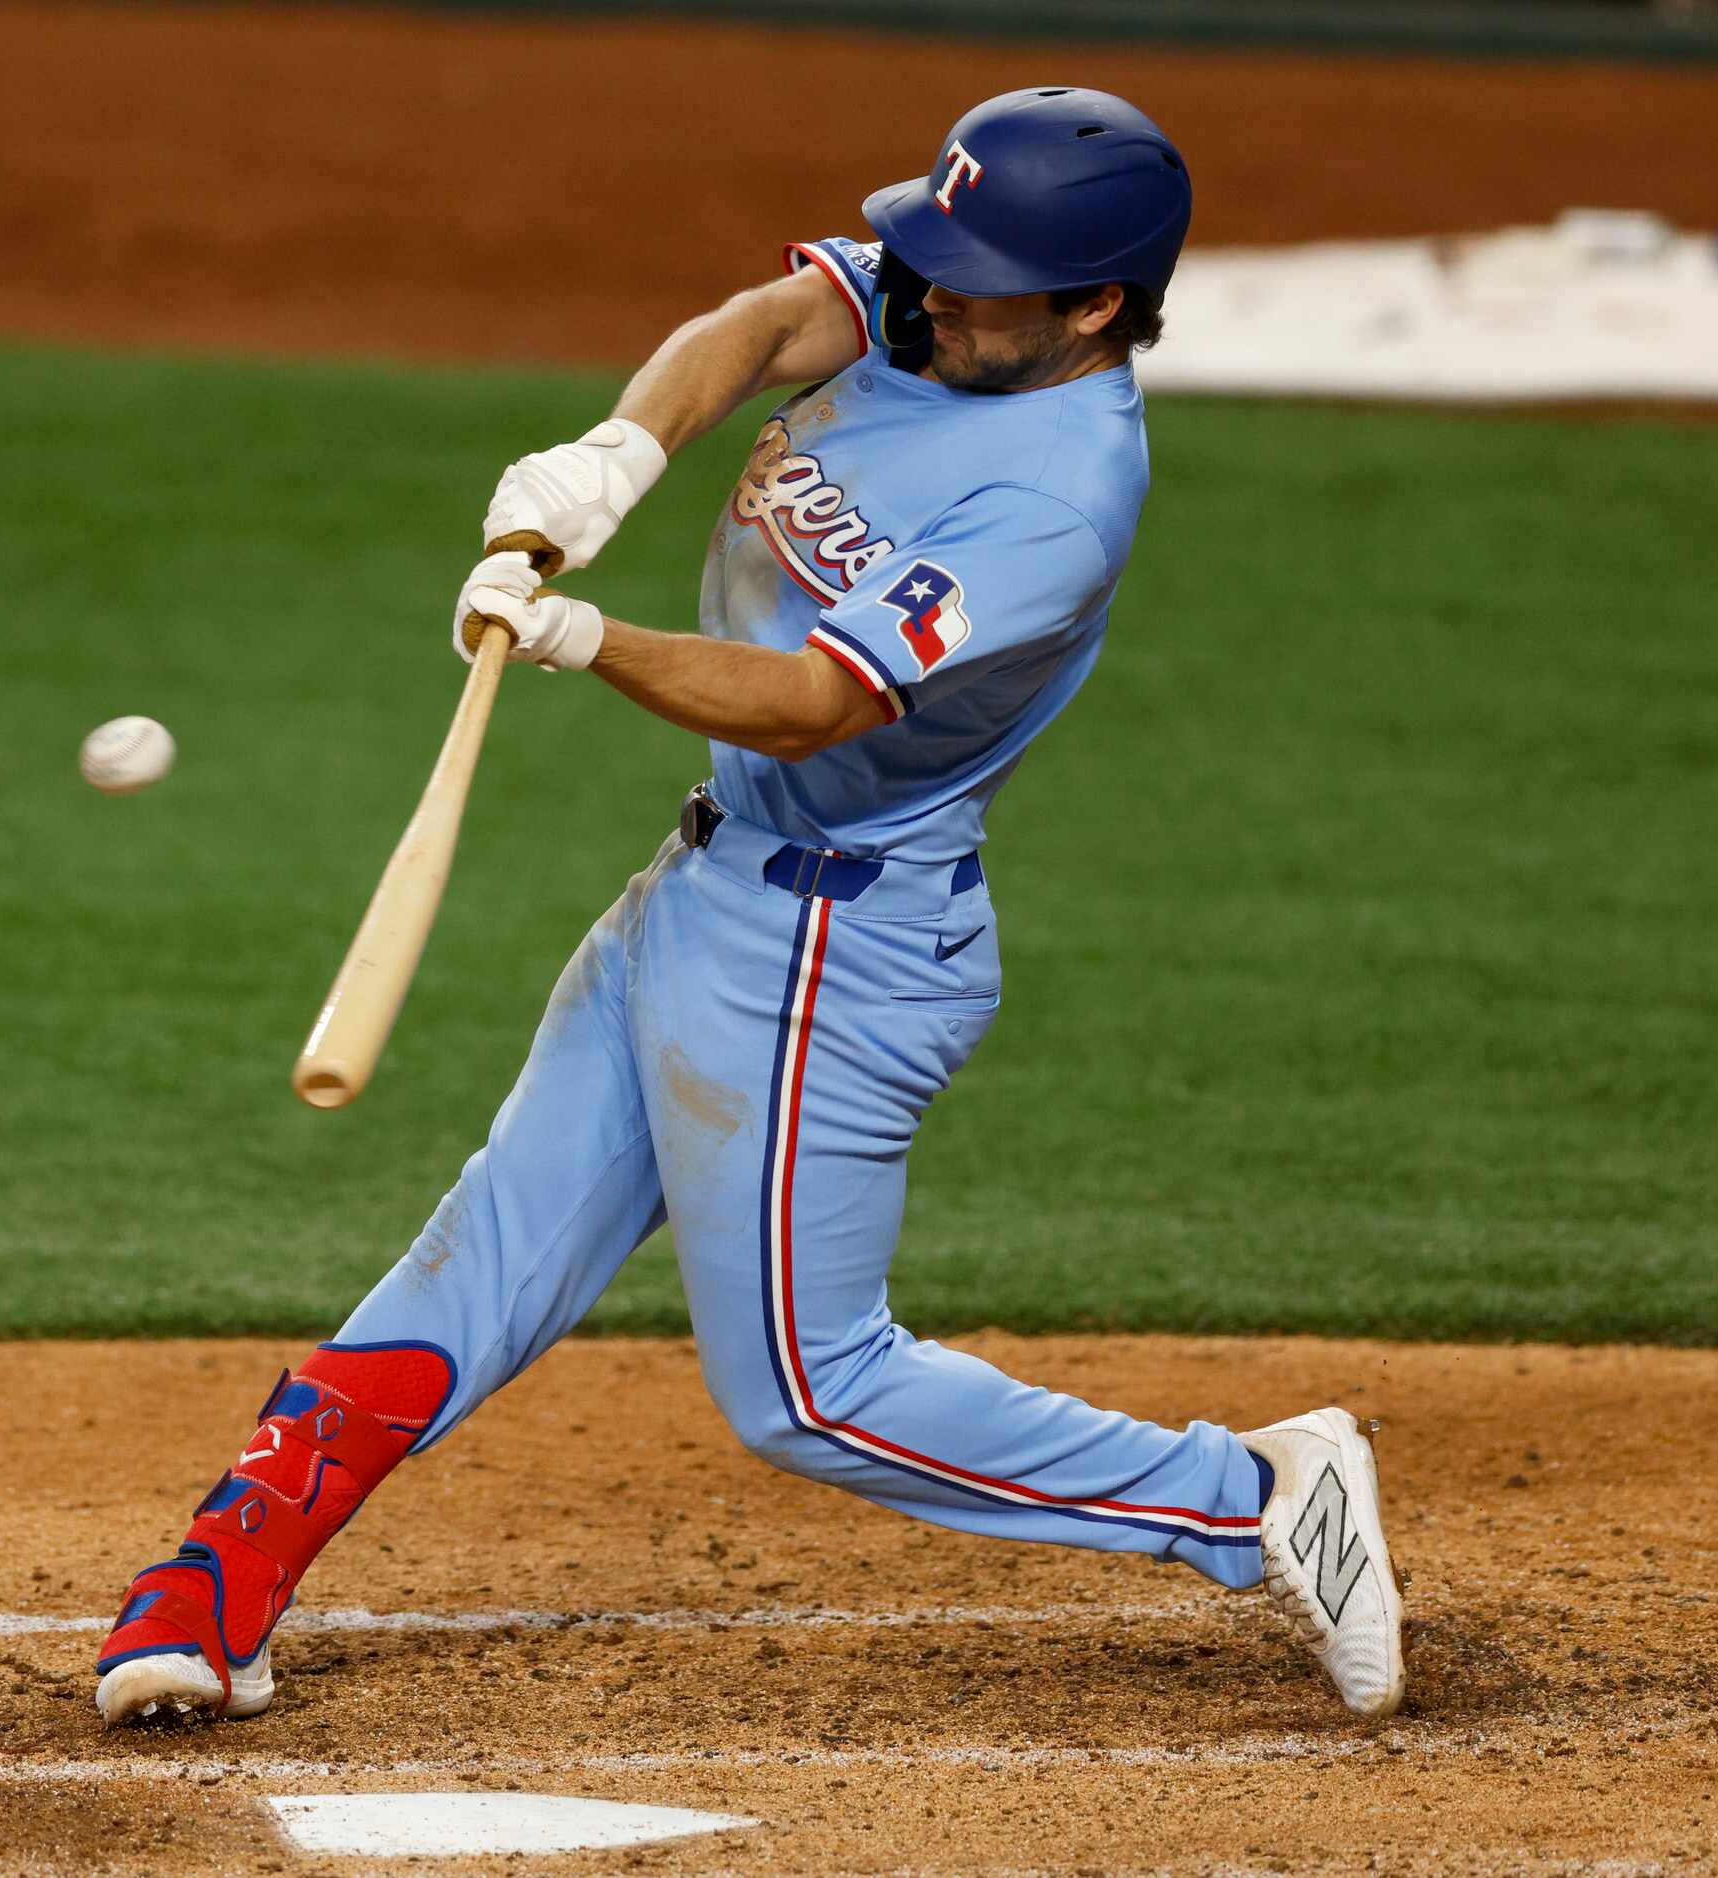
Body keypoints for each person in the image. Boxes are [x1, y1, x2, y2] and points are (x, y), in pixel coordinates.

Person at [94, 86, 1402, 1728]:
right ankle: (221, 1579)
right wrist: (614, 457)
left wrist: (589, 640)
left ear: (1096, 307)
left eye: (986, 275)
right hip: (709, 882)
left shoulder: (1056, 494)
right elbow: (774, 319)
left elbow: (807, 698)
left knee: (806, 1388)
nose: (935, 287)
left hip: (834, 948)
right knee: (491, 1241)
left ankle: (1254, 1496)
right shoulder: (955, 298)